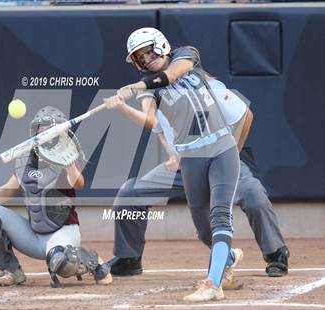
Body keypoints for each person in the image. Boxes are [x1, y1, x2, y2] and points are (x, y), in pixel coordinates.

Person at [104, 27, 246, 302]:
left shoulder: (186, 55)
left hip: (222, 149)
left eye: (147, 52)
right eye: (139, 57)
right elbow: (149, 121)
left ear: (161, 45)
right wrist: (122, 105)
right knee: (204, 229)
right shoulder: (148, 87)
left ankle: (213, 284)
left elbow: (170, 75)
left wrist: (135, 87)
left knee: (219, 216)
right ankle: (227, 257)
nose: (145, 60)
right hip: (190, 158)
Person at [109, 100, 289, 280]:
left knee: (252, 194)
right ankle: (129, 258)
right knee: (130, 194)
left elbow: (246, 114)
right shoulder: (159, 93)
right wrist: (173, 155)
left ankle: (275, 252)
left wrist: (234, 149)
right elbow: (158, 126)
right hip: (186, 163)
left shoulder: (203, 86)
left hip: (222, 160)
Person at [0, 106, 112, 288]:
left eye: (50, 129)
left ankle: (93, 260)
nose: (45, 132)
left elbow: (79, 184)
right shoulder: (26, 160)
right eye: (41, 128)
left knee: (62, 264)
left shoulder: (68, 156)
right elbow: (8, 189)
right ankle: (12, 271)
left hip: (63, 232)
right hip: (32, 234)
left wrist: (70, 166)